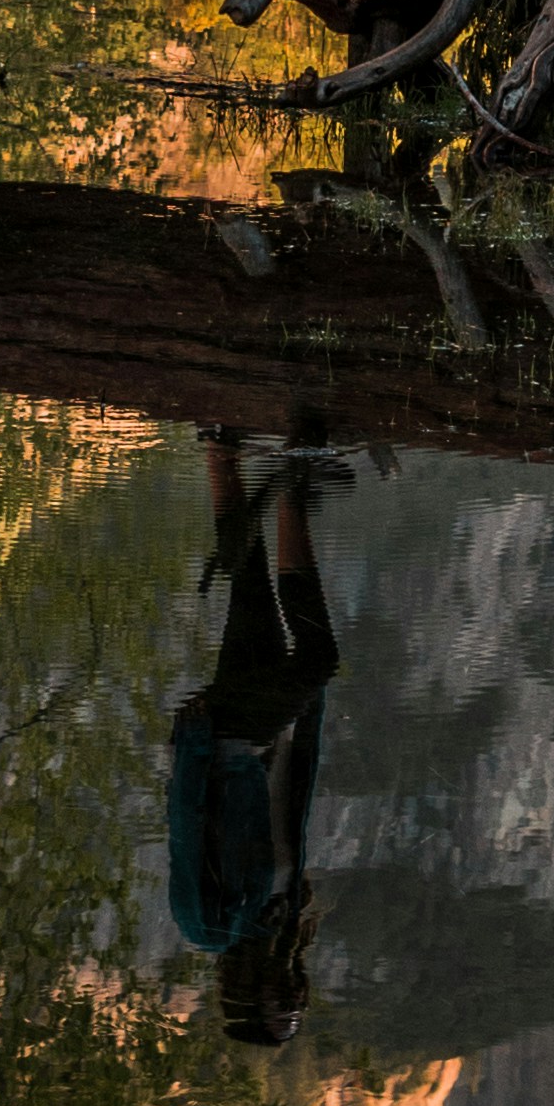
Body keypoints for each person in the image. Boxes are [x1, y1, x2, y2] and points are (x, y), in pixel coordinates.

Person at [166, 443, 341, 1047]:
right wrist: (307, 723)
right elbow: (291, 806)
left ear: (246, 999)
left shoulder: (207, 925)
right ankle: (224, 454)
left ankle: (291, 482)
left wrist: (191, 742)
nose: (294, 998)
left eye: (282, 1009)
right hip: (273, 737)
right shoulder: (283, 917)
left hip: (225, 737)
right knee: (249, 588)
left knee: (319, 656)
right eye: (296, 1008)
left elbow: (185, 829)